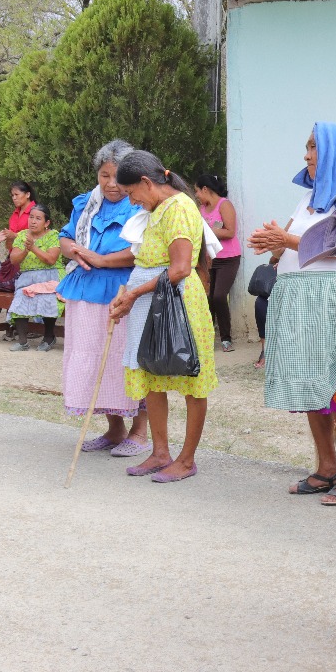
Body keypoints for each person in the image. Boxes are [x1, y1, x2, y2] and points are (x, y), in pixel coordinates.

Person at [249, 122, 336, 506]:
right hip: (297, 297)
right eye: (306, 147)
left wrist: (284, 240)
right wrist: (272, 242)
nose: (306, 155)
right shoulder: (307, 199)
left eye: (314, 147)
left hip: (332, 297)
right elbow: (286, 241)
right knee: (308, 384)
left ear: (335, 152)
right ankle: (326, 466)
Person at [109, 150, 216, 483]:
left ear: (146, 182)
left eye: (131, 194)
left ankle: (186, 460)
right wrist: (126, 292)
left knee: (191, 381)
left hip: (179, 306)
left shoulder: (180, 208)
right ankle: (159, 453)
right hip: (151, 305)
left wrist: (136, 293)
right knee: (151, 376)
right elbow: (146, 261)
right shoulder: (156, 210)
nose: (131, 201)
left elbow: (181, 268)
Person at [57, 140, 150, 457]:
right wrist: (74, 251)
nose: (111, 184)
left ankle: (139, 432)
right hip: (85, 290)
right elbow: (66, 236)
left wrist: (100, 260)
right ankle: (114, 430)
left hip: (123, 291)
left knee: (126, 359)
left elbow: (143, 251)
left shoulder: (141, 205)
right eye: (104, 175)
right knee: (96, 358)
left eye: (118, 176)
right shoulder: (86, 204)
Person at [6, 202, 63, 352]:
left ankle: (49, 337)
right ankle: (23, 341)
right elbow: (13, 259)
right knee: (20, 298)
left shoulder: (54, 235)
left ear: (47, 222)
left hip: (50, 276)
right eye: (31, 217)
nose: (33, 221)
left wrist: (33, 248)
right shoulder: (22, 236)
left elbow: (51, 259)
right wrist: (26, 250)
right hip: (27, 278)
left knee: (48, 299)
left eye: (38, 218)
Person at [195, 174, 240, 352]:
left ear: (205, 189)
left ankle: (226, 338)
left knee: (219, 296)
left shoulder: (224, 204)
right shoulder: (202, 209)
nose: (196, 194)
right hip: (209, 259)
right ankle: (207, 337)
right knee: (208, 299)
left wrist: (206, 230)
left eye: (197, 190)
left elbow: (230, 232)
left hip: (228, 258)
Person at [0, 181, 38, 341]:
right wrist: (5, 237)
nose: (14, 198)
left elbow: (37, 235)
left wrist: (13, 236)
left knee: (24, 290)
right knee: (8, 289)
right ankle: (12, 326)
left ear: (27, 195)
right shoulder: (15, 213)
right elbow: (13, 237)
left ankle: (33, 326)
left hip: (30, 258)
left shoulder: (35, 212)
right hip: (14, 256)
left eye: (16, 194)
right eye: (12, 195)